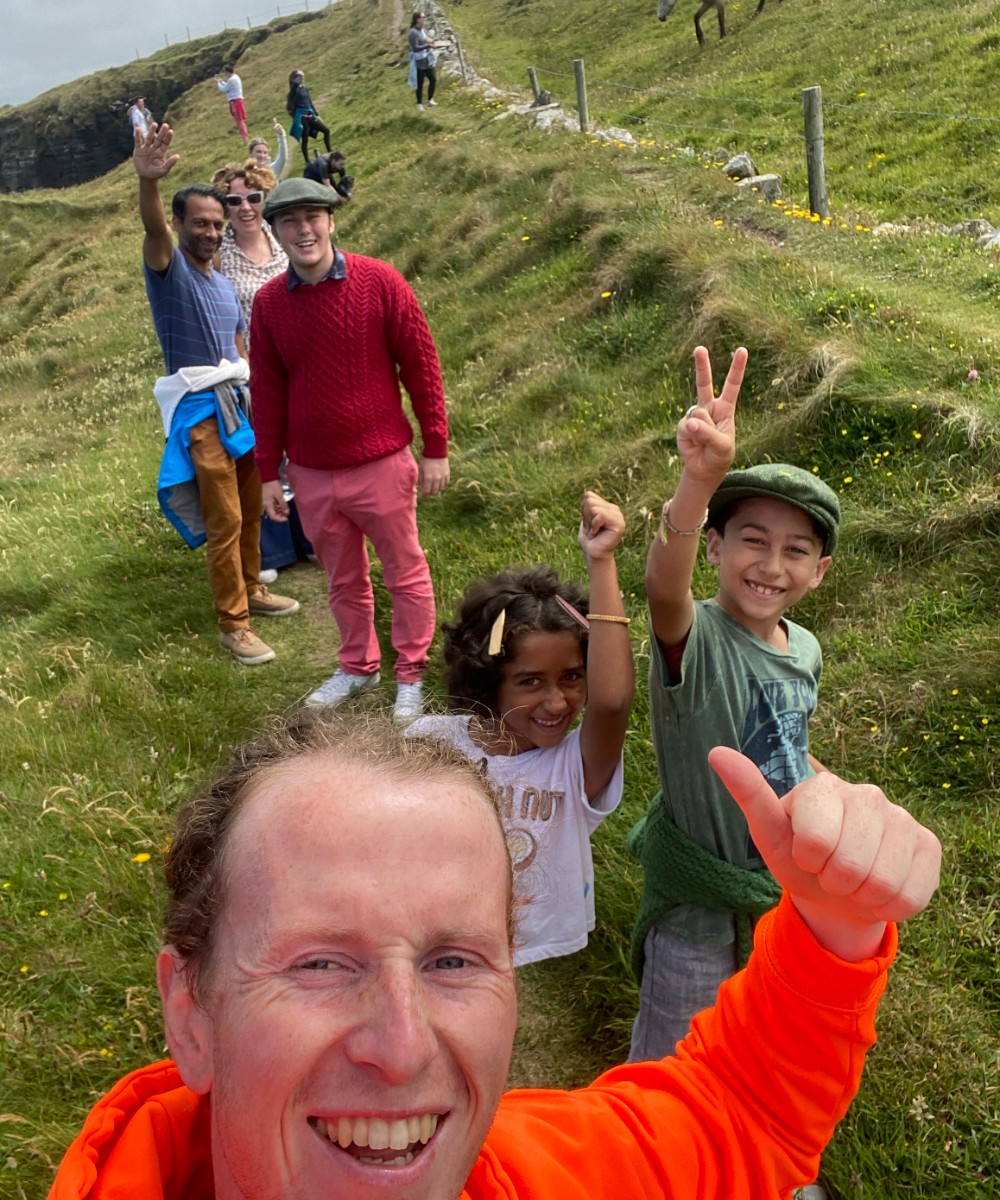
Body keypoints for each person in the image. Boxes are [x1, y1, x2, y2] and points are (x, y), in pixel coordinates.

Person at [46, 709, 942, 1200]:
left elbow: (737, 1115)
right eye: (320, 964)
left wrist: (834, 927)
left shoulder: (539, 1173)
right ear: (190, 1012)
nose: (400, 1050)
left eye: (452, 962)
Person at [628, 344, 843, 1062]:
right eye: (752, 541)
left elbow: (786, 741)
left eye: (795, 550)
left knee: (760, 1047)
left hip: (778, 898)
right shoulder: (696, 636)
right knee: (675, 1062)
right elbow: (662, 585)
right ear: (714, 547)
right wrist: (700, 480)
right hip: (696, 909)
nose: (772, 566)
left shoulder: (804, 649)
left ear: (820, 570)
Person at [249, 178, 449, 723]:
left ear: (331, 221)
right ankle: (358, 666)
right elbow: (266, 391)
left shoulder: (380, 281)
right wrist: (270, 472)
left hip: (381, 463)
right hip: (312, 473)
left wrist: (436, 447)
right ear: (276, 232)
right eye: (289, 221)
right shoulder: (269, 305)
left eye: (313, 216)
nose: (303, 229)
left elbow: (420, 365)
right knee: (341, 578)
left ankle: (411, 671)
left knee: (404, 570)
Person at [406, 491, 633, 965]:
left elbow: (611, 702)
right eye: (530, 682)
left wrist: (602, 561)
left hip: (526, 937)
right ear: (488, 679)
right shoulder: (427, 742)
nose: (556, 701)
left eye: (572, 677)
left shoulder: (574, 765)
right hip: (435, 929)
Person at [132, 122, 299, 666]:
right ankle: (234, 624)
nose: (208, 231)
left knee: (250, 510)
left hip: (240, 408)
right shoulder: (169, 270)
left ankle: (253, 588)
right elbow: (153, 230)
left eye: (215, 223)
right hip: (203, 415)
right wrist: (149, 182)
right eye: (199, 222)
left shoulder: (224, 283)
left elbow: (239, 350)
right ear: (181, 224)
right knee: (224, 517)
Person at [210, 159, 314, 583]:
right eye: (234, 200)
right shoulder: (219, 254)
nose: (245, 207)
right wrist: (241, 369)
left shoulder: (284, 238)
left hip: (300, 358)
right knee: (265, 454)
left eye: (253, 197)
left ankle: (311, 537)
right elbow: (221, 312)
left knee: (304, 449)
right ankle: (274, 548)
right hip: (250, 366)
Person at [286, 68, 331, 163]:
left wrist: (316, 114)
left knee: (326, 130)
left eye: (302, 76)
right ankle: (307, 161)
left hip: (310, 114)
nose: (302, 78)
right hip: (301, 117)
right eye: (299, 77)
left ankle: (330, 152)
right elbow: (293, 88)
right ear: (295, 78)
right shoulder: (293, 90)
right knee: (305, 138)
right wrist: (296, 80)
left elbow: (309, 102)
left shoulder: (304, 88)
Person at [408, 11, 438, 111]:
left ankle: (430, 100)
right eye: (423, 17)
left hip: (427, 58)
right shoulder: (413, 32)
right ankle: (419, 103)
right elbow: (415, 47)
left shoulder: (422, 30)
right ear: (417, 19)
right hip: (419, 60)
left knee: (433, 79)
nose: (425, 19)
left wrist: (430, 40)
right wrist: (428, 45)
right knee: (420, 83)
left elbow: (425, 38)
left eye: (425, 17)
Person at [214, 64, 248, 142]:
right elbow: (228, 86)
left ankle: (244, 137)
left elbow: (224, 89)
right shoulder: (235, 77)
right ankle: (243, 136)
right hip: (237, 100)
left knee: (239, 120)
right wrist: (222, 82)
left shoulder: (232, 79)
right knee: (239, 119)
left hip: (235, 101)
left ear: (227, 72)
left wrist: (218, 83)